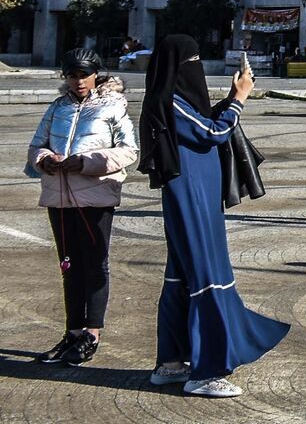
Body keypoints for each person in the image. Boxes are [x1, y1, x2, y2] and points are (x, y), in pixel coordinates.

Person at [138, 35, 288, 398]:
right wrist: (239, 99)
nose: (197, 67)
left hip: (191, 195)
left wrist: (229, 99)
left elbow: (203, 123)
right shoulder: (172, 102)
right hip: (193, 198)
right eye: (193, 59)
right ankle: (205, 372)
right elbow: (213, 131)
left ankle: (171, 363)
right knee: (208, 275)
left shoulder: (167, 99)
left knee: (181, 277)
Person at [25, 48, 138, 367]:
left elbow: (130, 151)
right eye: (72, 76)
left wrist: (86, 162)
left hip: (96, 196)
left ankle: (93, 332)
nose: (78, 82)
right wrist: (44, 160)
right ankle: (73, 331)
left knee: (95, 264)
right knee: (68, 264)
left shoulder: (113, 106)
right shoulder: (58, 106)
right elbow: (37, 145)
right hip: (58, 196)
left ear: (96, 74)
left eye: (84, 75)